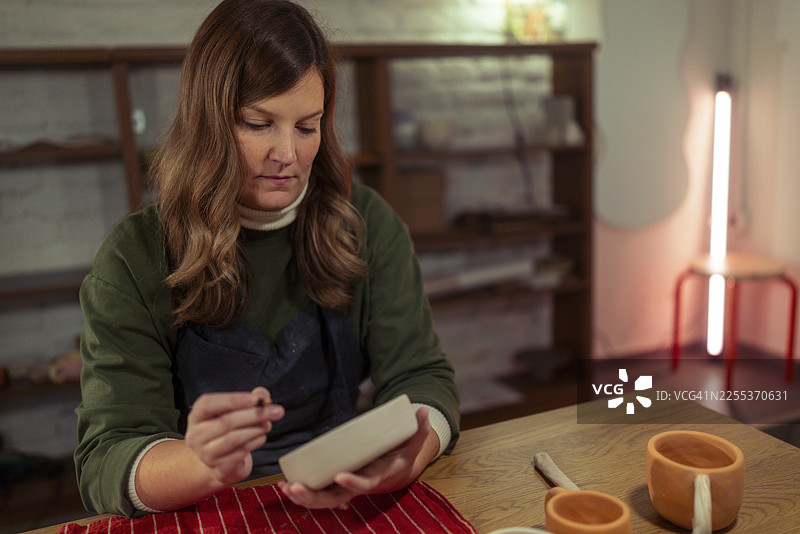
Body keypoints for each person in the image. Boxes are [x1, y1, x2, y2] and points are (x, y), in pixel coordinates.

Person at [74, 0, 459, 517]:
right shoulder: (135, 257)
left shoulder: (365, 222)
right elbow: (105, 459)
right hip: (205, 508)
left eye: (307, 126)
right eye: (258, 124)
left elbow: (423, 378)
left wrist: (410, 453)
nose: (289, 154)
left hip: (345, 498)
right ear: (208, 122)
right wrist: (200, 463)